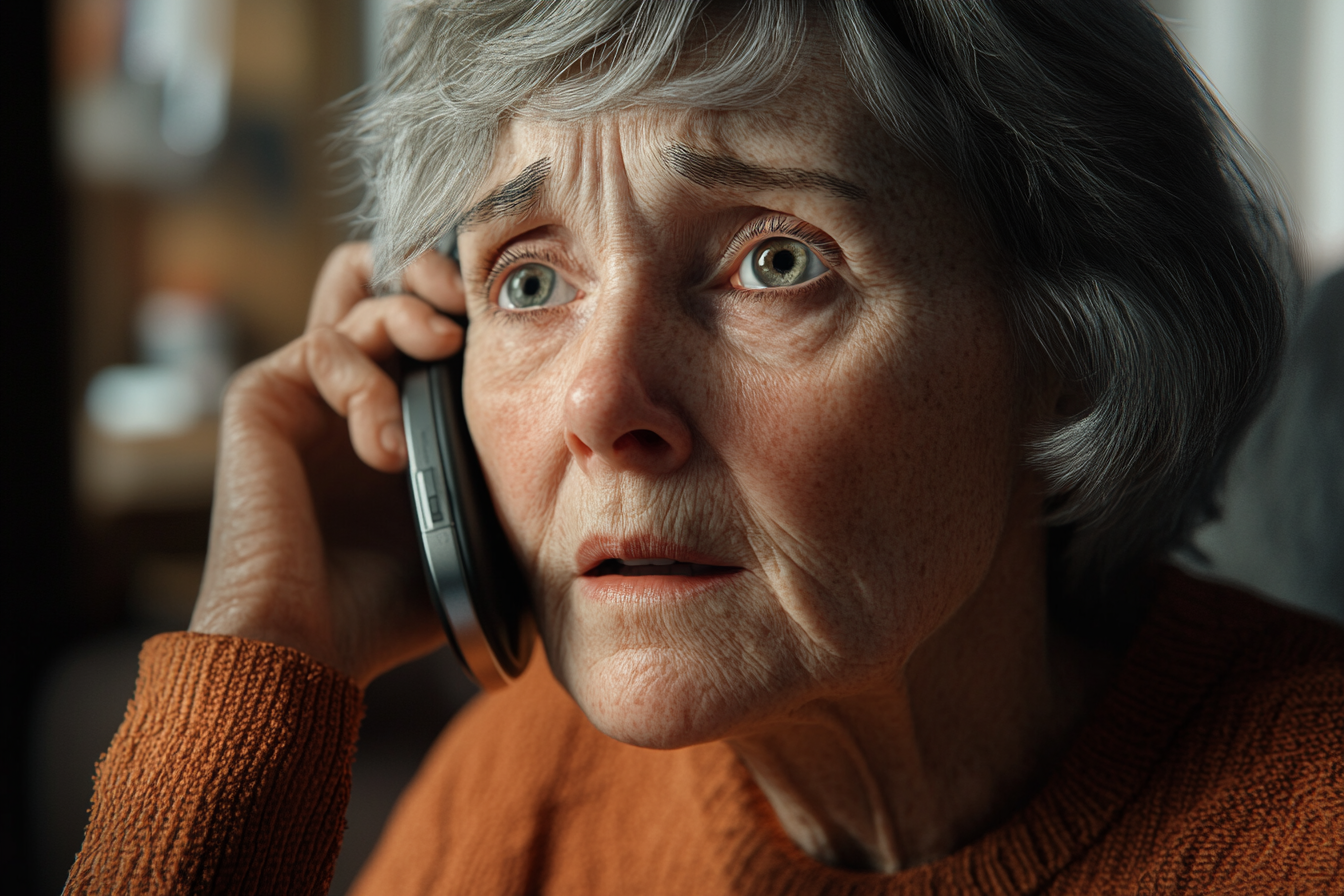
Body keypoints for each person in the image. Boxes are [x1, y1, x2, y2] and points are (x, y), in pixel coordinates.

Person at [66, 1, 1343, 894]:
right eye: (525, 282)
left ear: (1073, 335)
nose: (601, 400)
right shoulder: (517, 797)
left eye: (773, 260)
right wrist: (262, 656)